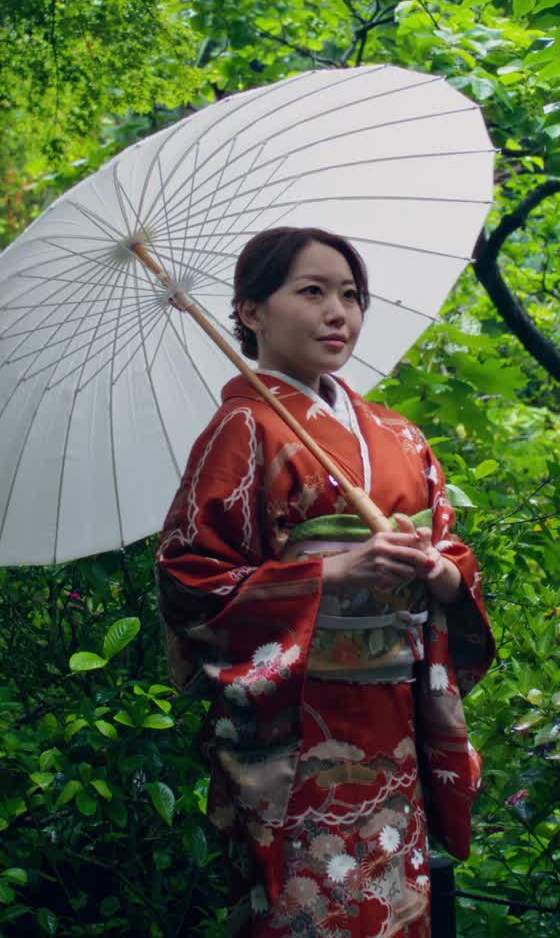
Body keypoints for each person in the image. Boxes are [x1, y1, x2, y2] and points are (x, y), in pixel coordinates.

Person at [156, 226, 495, 938]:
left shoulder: (398, 435)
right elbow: (192, 582)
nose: (338, 312)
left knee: (396, 906)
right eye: (311, 292)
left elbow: (452, 546)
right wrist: (329, 573)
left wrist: (437, 571)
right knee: (305, 906)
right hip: (299, 724)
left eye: (350, 295)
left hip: (393, 718)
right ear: (250, 311)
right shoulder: (241, 430)